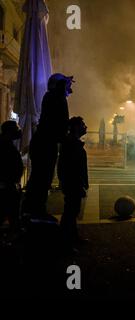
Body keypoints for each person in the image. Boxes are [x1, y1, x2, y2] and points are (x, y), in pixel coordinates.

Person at [24, 73, 74, 221]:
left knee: (41, 179)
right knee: (41, 179)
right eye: (67, 85)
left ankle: (34, 210)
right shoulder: (56, 97)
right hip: (45, 144)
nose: (70, 88)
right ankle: (35, 211)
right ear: (59, 85)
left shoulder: (52, 96)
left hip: (44, 142)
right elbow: (58, 123)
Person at [57, 117, 89, 250]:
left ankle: (72, 237)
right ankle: (65, 243)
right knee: (70, 212)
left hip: (73, 183)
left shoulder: (72, 142)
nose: (85, 127)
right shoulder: (71, 144)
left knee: (72, 211)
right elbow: (71, 167)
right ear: (76, 127)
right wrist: (79, 184)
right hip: (73, 184)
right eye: (83, 124)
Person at [0, 121, 24, 233]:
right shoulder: (5, 145)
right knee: (11, 214)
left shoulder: (7, 144)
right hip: (7, 187)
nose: (19, 130)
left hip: (9, 186)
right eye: (16, 128)